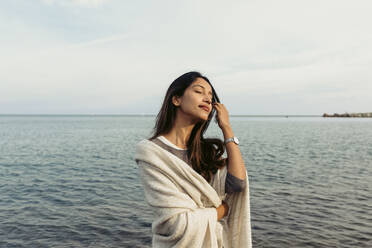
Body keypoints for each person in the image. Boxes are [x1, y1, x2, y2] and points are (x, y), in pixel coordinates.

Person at [135, 71, 252, 247]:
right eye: (199, 91)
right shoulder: (152, 153)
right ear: (176, 99)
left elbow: (238, 184)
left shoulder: (206, 152)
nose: (207, 99)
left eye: (210, 96)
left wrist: (226, 127)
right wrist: (221, 211)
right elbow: (176, 223)